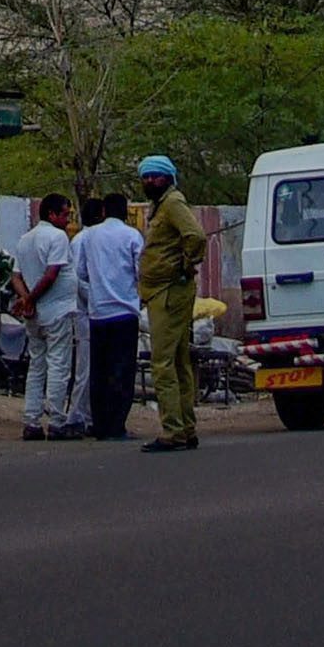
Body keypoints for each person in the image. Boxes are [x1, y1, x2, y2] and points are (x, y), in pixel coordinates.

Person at [131, 156, 204, 452]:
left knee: (161, 363)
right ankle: (185, 427)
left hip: (169, 290)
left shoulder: (172, 203)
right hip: (163, 290)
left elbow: (196, 236)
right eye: (146, 176)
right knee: (178, 361)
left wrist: (185, 266)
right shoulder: (161, 205)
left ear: (168, 177)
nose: (149, 181)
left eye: (155, 176)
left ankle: (172, 430)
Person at [73, 183, 147, 440]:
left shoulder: (89, 236)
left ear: (103, 210)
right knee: (122, 370)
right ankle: (117, 425)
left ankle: (100, 425)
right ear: (125, 212)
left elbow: (80, 272)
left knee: (99, 370)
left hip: (97, 312)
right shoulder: (132, 236)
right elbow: (142, 272)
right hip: (125, 311)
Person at [14, 191, 84, 442]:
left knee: (36, 365)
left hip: (35, 314)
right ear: (52, 214)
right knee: (58, 365)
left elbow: (16, 276)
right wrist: (30, 299)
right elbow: (51, 275)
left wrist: (25, 300)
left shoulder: (25, 239)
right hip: (57, 310)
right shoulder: (57, 237)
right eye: (65, 214)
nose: (68, 219)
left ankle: (31, 421)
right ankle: (56, 421)